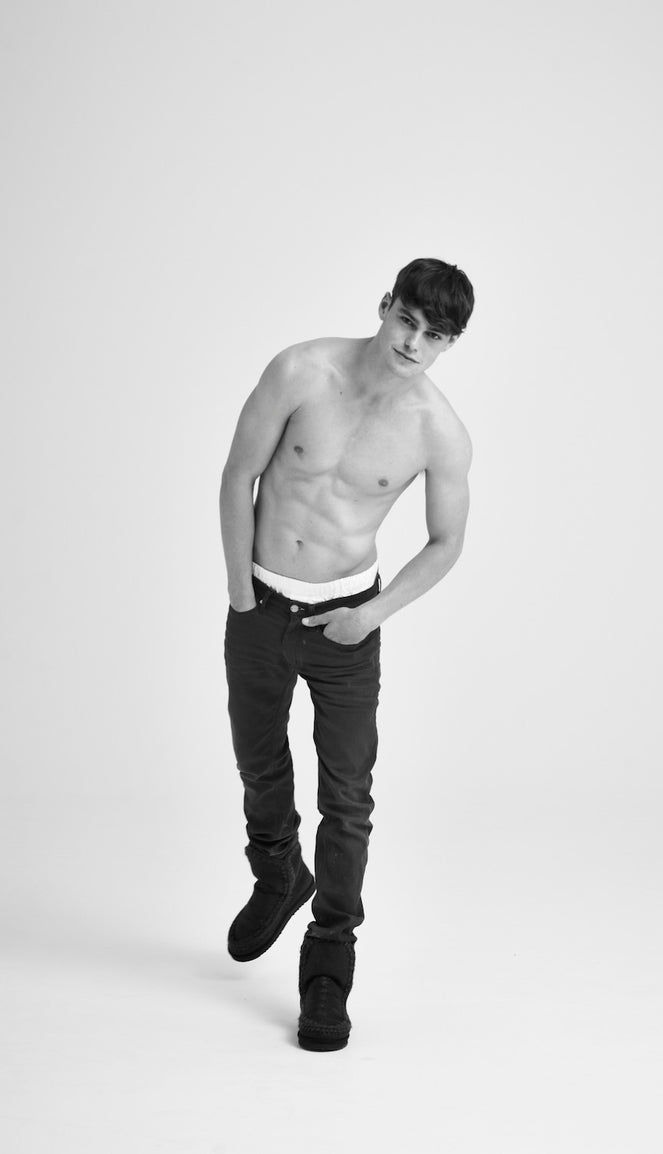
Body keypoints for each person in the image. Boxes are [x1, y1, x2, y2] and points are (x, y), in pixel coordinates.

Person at [220, 257, 474, 1051]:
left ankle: (329, 959)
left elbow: (446, 541)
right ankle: (277, 871)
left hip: (346, 628)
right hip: (260, 605)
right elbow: (239, 475)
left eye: (435, 336)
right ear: (385, 305)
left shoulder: (438, 431)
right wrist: (240, 596)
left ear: (449, 344)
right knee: (259, 762)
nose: (414, 343)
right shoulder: (301, 370)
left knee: (348, 798)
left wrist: (371, 616)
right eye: (408, 320)